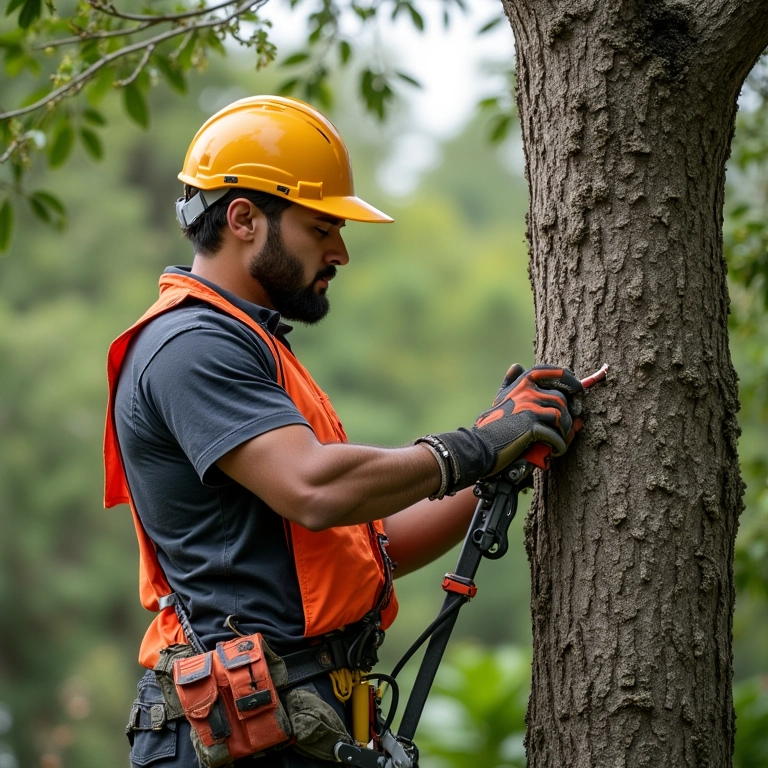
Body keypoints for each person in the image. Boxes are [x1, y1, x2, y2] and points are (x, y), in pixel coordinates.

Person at [103, 95, 583, 768]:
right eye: (320, 227)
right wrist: (472, 446)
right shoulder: (189, 345)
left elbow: (371, 547)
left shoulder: (252, 346)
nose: (341, 251)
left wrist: (503, 457)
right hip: (238, 733)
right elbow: (314, 489)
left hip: (295, 720)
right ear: (243, 218)